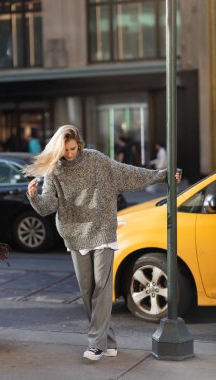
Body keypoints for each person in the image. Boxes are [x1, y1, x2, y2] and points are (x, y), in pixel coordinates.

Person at [23, 125, 181, 362]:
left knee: (102, 289)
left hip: (102, 230)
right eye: (65, 150)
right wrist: (34, 196)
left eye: (73, 148)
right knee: (87, 291)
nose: (69, 154)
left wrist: (162, 175)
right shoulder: (54, 170)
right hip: (74, 234)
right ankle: (108, 342)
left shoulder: (96, 160)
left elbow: (127, 173)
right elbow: (49, 206)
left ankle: (95, 345)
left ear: (80, 144)